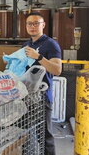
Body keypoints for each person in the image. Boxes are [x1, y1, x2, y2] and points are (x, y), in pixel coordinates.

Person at [22, 12, 62, 155]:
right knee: (24, 133)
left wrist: (38, 57)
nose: (32, 27)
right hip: (27, 97)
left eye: (36, 23)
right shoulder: (26, 45)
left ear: (43, 25)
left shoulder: (51, 44)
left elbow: (57, 70)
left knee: (44, 136)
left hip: (42, 98)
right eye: (29, 24)